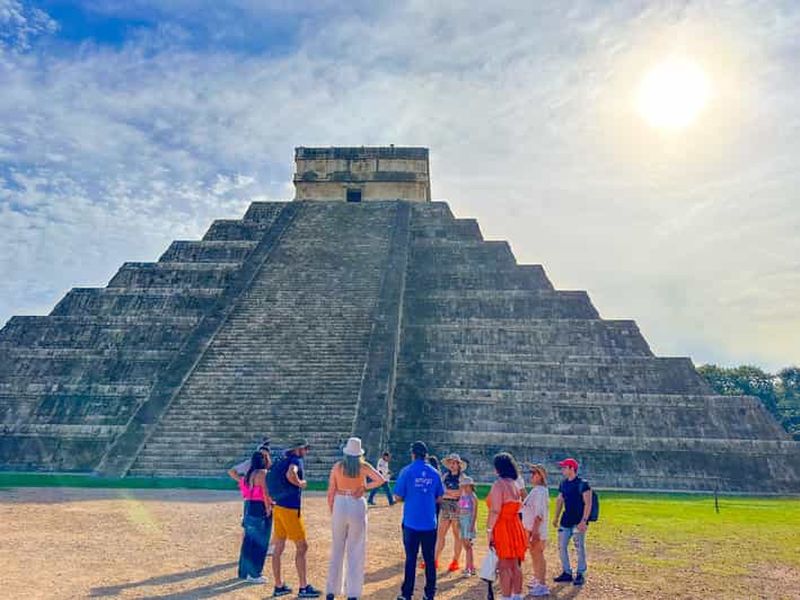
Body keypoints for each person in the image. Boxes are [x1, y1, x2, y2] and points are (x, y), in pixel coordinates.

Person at [325, 437, 385, 600]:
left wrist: (333, 509)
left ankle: (331, 590)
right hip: (356, 502)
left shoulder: (338, 466)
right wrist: (365, 487)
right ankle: (353, 593)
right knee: (356, 549)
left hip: (340, 502)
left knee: (337, 548)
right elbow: (381, 479)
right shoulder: (363, 466)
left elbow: (331, 491)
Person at [268, 439, 321, 598]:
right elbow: (291, 473)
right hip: (290, 508)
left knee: (278, 547)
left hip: (278, 506)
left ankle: (279, 586)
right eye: (305, 449)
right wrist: (300, 483)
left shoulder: (280, 460)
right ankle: (303, 587)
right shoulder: (295, 460)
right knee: (302, 547)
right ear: (298, 449)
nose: (306, 451)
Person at [394, 441, 444, 600]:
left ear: (413, 454)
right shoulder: (434, 473)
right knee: (429, 559)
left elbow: (398, 496)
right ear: (426, 455)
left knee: (411, 558)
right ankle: (429, 593)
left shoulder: (407, 471)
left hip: (411, 521)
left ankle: (407, 593)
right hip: (429, 522)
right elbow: (440, 497)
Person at [487, 452, 527, 600]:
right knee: (515, 565)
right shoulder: (515, 484)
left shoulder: (499, 485)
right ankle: (517, 595)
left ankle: (506, 596)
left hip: (503, 527)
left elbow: (496, 510)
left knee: (504, 566)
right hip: (515, 525)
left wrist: (489, 530)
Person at [552, 458, 592, 587]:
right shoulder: (563, 484)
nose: (562, 469)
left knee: (579, 547)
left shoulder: (583, 484)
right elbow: (560, 501)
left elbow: (588, 503)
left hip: (578, 521)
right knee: (561, 546)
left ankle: (580, 573)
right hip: (566, 520)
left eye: (564, 467)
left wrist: (584, 521)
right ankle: (567, 572)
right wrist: (556, 517)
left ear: (571, 468)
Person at [237, 450, 273, 583]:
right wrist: (268, 508)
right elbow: (265, 493)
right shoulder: (263, 473)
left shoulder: (249, 473)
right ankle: (254, 573)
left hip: (250, 506)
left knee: (248, 541)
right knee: (260, 541)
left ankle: (244, 571)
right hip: (260, 508)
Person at [434, 453, 466, 572]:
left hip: (457, 507)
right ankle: (435, 560)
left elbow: (462, 493)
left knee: (457, 534)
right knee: (440, 534)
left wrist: (449, 492)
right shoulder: (445, 476)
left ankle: (455, 561)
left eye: (454, 463)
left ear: (458, 465)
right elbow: (441, 492)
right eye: (450, 463)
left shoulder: (463, 477)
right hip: (446, 505)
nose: (452, 465)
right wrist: (452, 492)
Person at [522, 464, 550, 597]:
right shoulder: (537, 490)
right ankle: (537, 578)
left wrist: (534, 532)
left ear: (540, 476)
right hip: (531, 528)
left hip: (536, 529)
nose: (531, 476)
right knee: (534, 554)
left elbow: (539, 514)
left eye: (534, 473)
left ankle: (542, 584)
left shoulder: (540, 491)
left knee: (538, 555)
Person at [457, 476, 478, 576]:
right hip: (462, 520)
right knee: (466, 546)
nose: (464, 487)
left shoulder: (473, 497)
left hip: (468, 521)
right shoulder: (463, 495)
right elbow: (459, 508)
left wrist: (472, 525)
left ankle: (468, 568)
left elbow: (474, 512)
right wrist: (458, 520)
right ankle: (471, 567)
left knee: (468, 545)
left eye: (466, 485)